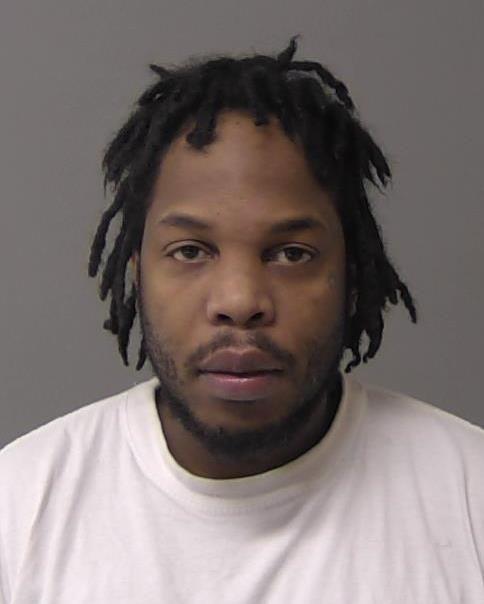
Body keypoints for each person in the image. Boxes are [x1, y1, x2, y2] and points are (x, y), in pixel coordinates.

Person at [0, 37, 483, 603]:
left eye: (291, 254)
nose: (240, 300)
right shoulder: (20, 508)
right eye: (190, 251)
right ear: (137, 275)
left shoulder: (469, 495)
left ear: (353, 276)